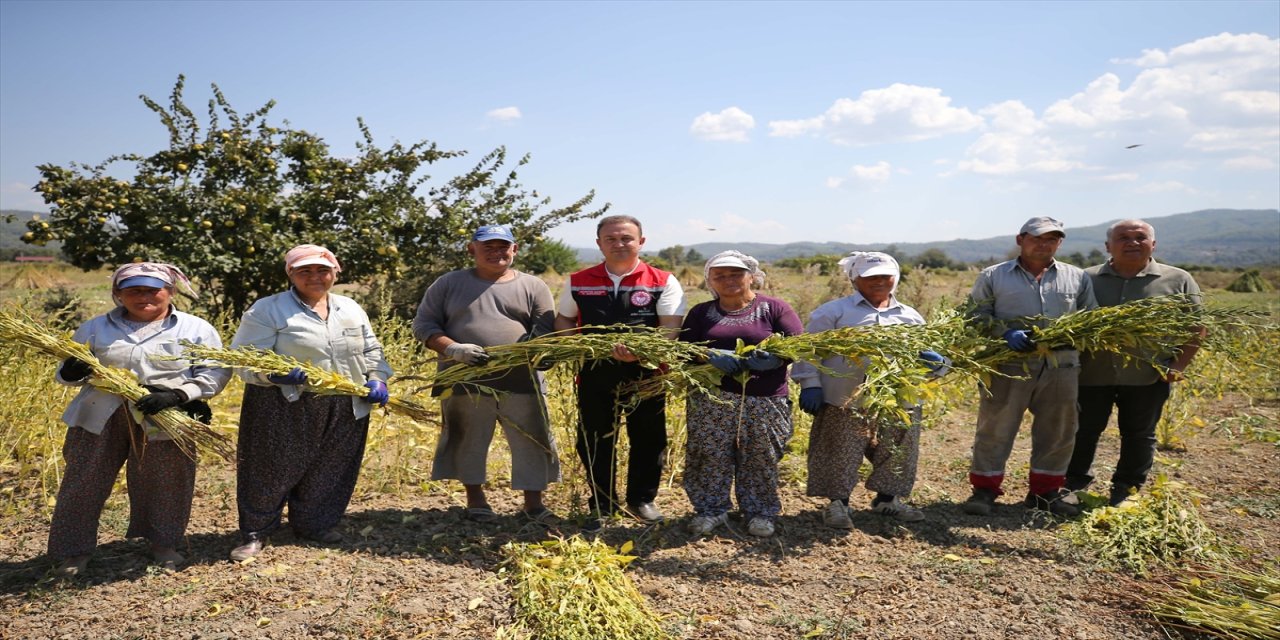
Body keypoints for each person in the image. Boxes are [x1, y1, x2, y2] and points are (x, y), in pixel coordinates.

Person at [49, 262, 231, 576]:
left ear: (170, 292)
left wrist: (179, 394)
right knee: (84, 482)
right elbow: (67, 372)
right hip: (100, 414)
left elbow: (215, 371)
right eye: (133, 290)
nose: (143, 296)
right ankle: (72, 553)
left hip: (164, 414)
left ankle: (164, 544)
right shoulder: (95, 327)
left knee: (167, 481)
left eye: (152, 289)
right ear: (118, 294)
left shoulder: (196, 329)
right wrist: (70, 371)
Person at [228, 244, 392, 562]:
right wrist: (274, 374)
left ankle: (314, 525)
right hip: (284, 402)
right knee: (270, 468)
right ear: (290, 273)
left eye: (322, 270)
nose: (315, 276)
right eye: (305, 270)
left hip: (344, 402)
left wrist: (378, 377)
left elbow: (373, 350)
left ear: (335, 273)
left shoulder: (350, 308)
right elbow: (243, 360)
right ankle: (255, 533)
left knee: (331, 467)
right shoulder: (267, 310)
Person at [413, 224, 561, 524]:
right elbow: (424, 326)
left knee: (532, 439)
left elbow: (545, 330)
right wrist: (454, 349)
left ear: (515, 249)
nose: (496, 253)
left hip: (522, 380)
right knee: (467, 437)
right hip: (464, 378)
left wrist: (542, 354)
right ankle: (476, 499)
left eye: (503, 247)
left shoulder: (533, 286)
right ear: (472, 250)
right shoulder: (448, 284)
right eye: (487, 247)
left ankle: (533, 503)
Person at [792, 252, 950, 529]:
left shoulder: (910, 317)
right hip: (843, 397)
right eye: (870, 277)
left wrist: (937, 364)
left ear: (896, 278)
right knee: (839, 449)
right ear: (855, 279)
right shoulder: (833, 312)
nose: (879, 281)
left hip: (898, 399)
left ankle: (888, 501)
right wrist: (811, 384)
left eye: (885, 276)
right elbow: (808, 351)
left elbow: (931, 362)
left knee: (899, 448)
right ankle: (837, 504)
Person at [553, 215, 687, 529]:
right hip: (595, 372)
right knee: (595, 438)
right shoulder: (579, 280)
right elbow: (563, 320)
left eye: (626, 238)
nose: (619, 244)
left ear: (641, 241)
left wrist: (643, 353)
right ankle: (601, 502)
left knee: (648, 438)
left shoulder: (662, 280)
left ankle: (642, 500)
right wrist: (572, 346)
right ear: (599, 243)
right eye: (610, 239)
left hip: (648, 372)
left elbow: (670, 329)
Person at [963, 217, 1098, 517]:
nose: (1044, 243)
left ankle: (1045, 492)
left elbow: (1091, 319)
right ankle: (984, 490)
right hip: (1008, 363)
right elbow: (974, 316)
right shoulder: (994, 275)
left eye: (1052, 239)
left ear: (1060, 243)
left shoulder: (1077, 278)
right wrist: (1004, 332)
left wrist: (1072, 335)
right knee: (996, 427)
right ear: (1020, 239)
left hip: (1061, 366)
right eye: (1037, 237)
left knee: (1058, 430)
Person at [1067, 219, 1204, 506]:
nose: (1132, 242)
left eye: (1140, 237)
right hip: (1091, 374)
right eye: (1123, 237)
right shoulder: (1084, 278)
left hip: (1148, 375)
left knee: (1140, 435)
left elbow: (1196, 328)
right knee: (1082, 431)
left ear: (1153, 244)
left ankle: (1126, 490)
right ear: (1108, 246)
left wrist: (1177, 367)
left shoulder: (1177, 279)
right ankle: (1072, 487)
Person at [678, 251, 803, 538]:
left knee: (761, 455)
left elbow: (797, 344)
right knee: (709, 454)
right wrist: (708, 354)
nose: (728, 280)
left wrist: (776, 358)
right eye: (719, 275)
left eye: (735, 273)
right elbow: (683, 351)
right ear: (709, 280)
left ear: (751, 276)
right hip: (712, 398)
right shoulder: (700, 313)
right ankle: (711, 510)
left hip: (765, 398)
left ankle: (760, 512)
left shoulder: (775, 308)